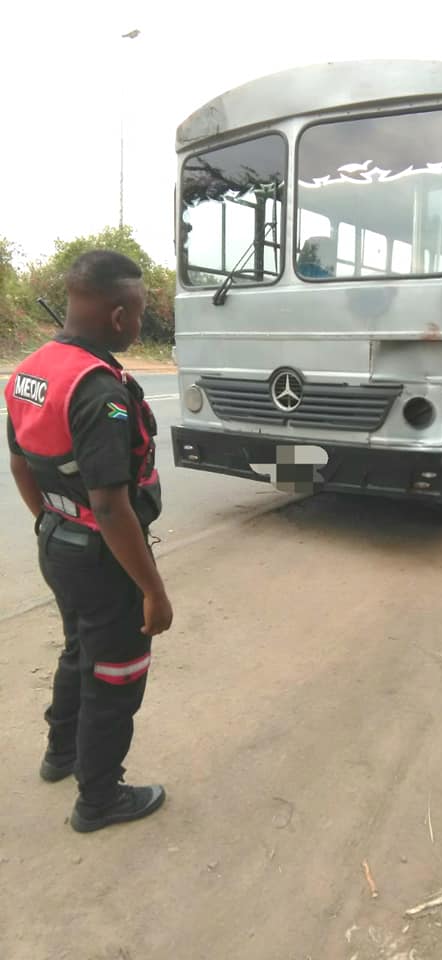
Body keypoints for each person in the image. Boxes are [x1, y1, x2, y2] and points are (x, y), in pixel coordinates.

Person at [4, 250, 173, 833]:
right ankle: (99, 798)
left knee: (79, 649)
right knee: (116, 671)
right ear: (121, 315)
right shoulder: (97, 388)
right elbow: (109, 504)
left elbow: (20, 464)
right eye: (142, 311)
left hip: (57, 541)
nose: (142, 321)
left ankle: (61, 754)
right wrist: (153, 589)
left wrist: (51, 521)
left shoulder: (33, 369)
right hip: (104, 556)